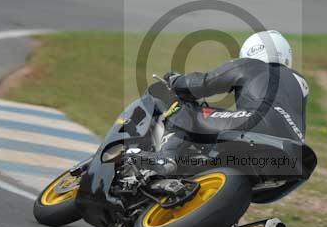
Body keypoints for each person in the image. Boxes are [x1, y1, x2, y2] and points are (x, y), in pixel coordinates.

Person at [133, 30, 310, 176]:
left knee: (185, 108)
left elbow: (204, 83)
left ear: (251, 51)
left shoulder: (251, 65)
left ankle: (166, 156)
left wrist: (175, 80)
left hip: (257, 124)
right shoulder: (301, 82)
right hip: (294, 148)